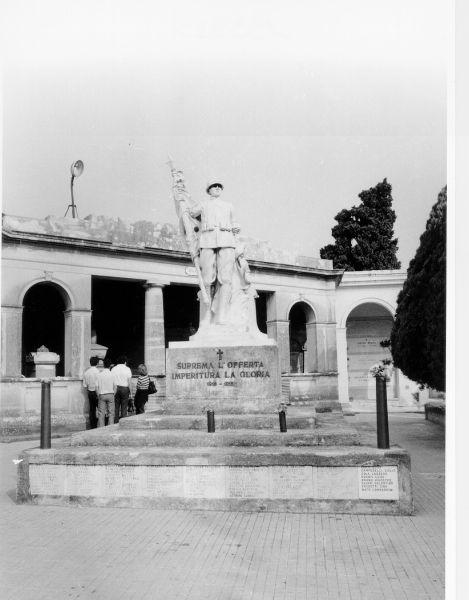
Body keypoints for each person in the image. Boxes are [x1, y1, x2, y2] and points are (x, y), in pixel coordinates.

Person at [187, 181, 240, 325]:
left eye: (219, 186)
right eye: (214, 186)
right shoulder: (203, 204)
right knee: (206, 279)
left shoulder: (229, 206)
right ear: (208, 190)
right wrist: (181, 195)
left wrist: (236, 227)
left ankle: (222, 314)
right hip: (207, 241)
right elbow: (190, 212)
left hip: (227, 241)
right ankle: (207, 315)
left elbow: (234, 222)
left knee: (226, 279)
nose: (217, 188)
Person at [111, 355, 132, 422]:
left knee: (116, 407)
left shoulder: (113, 369)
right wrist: (131, 392)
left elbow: (111, 380)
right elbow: (129, 382)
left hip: (116, 388)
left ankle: (116, 421)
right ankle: (123, 422)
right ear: (125, 362)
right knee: (124, 407)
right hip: (125, 389)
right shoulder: (127, 369)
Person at [96, 357, 115, 427]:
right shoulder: (112, 374)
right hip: (111, 394)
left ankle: (101, 428)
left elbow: (96, 387)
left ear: (103, 365)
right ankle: (110, 427)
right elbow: (115, 386)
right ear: (110, 365)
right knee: (111, 413)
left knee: (101, 413)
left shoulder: (99, 374)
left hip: (102, 394)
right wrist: (113, 394)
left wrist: (98, 395)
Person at [82, 356, 100, 429]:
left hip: (90, 392)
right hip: (97, 392)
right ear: (97, 363)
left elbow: (85, 385)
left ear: (90, 362)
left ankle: (93, 426)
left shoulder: (86, 372)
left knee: (92, 409)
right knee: (100, 409)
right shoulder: (98, 372)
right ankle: (100, 424)